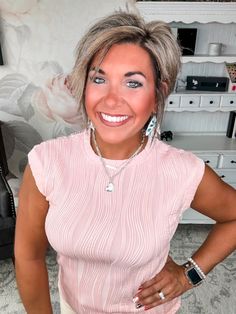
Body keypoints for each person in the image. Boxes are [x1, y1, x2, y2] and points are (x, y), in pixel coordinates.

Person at [14, 11, 236, 314]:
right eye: (99, 78)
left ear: (158, 93)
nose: (111, 99)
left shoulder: (182, 171)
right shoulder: (47, 162)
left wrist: (189, 275)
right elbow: (28, 257)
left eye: (133, 83)